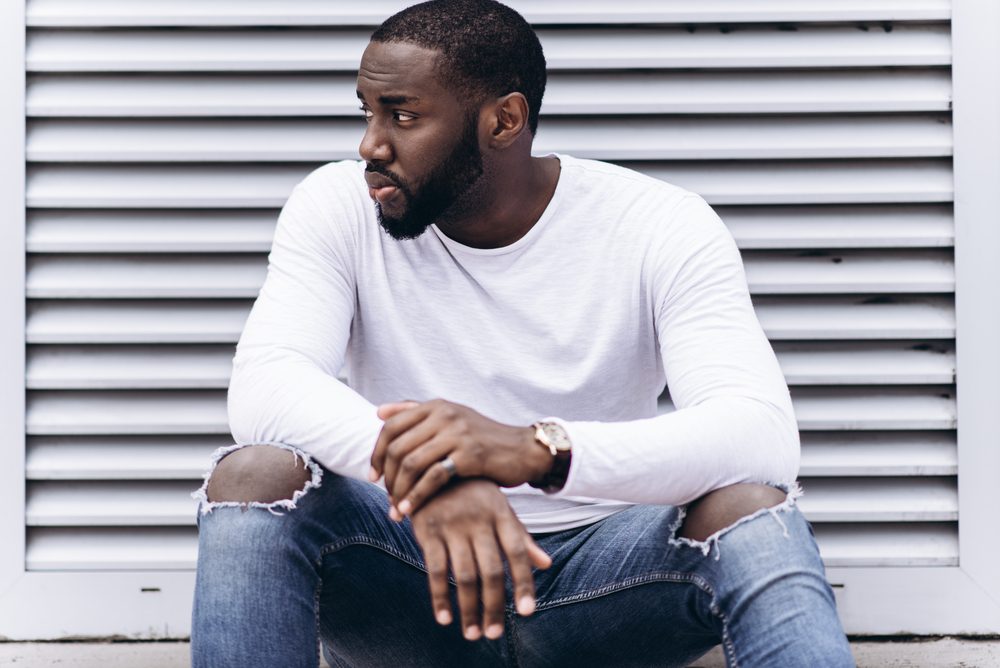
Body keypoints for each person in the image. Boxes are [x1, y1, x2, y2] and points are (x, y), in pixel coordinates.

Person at [190, 1, 854, 665]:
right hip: (411, 585)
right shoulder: (338, 205)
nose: (372, 144)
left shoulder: (660, 224)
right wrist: (438, 475)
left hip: (603, 589)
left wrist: (539, 452)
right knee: (253, 475)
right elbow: (267, 381)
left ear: (503, 120)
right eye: (366, 111)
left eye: (403, 114)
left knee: (753, 511)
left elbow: (759, 433)